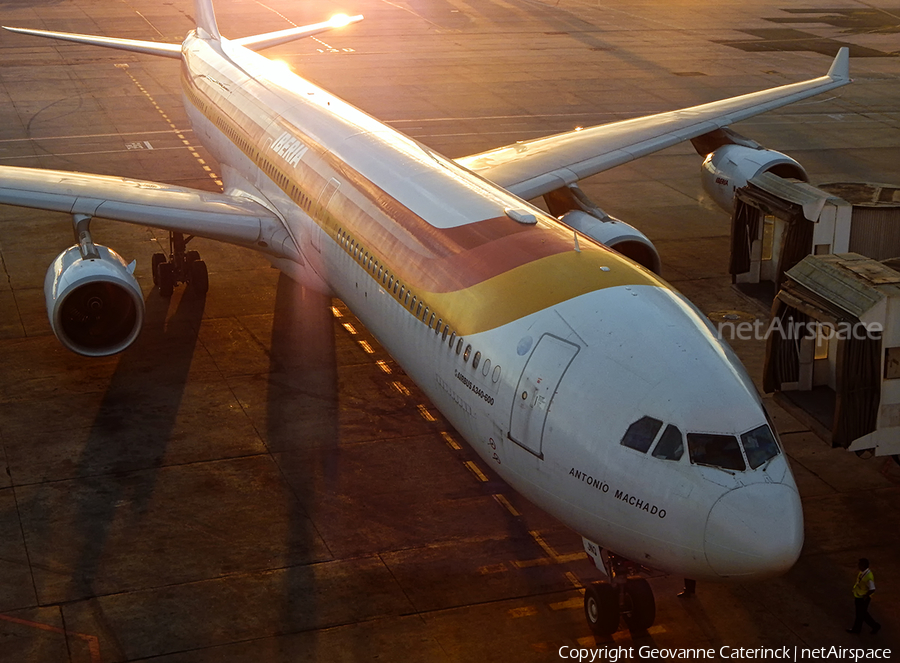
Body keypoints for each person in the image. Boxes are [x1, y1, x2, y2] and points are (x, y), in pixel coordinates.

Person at [847, 558, 881, 634]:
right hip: (860, 595)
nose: (858, 566)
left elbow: (872, 589)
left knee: (860, 614)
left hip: (863, 597)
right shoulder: (863, 573)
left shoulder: (868, 577)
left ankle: (857, 629)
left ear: (863, 566)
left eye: (860, 565)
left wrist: (865, 596)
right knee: (862, 614)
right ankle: (874, 626)